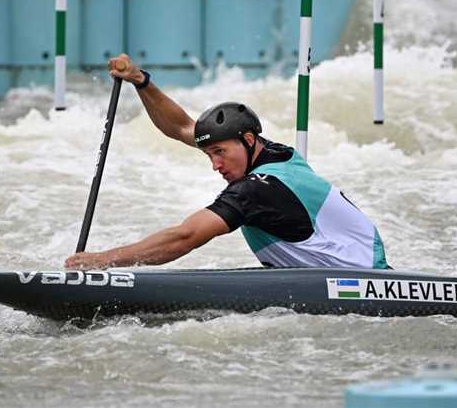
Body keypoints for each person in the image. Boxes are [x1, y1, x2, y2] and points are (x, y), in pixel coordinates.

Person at [64, 54, 388, 271]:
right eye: (209, 154)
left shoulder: (257, 190)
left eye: (219, 153)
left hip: (361, 279)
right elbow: (181, 128)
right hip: (354, 267)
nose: (215, 165)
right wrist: (141, 82)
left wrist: (101, 261)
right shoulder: (276, 152)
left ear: (247, 140)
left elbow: (185, 237)